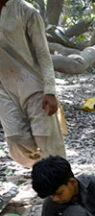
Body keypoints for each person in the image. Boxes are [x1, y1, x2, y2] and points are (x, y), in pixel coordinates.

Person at [0, 0, 66, 168]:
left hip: (33, 84)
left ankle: (61, 185)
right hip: (3, 87)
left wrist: (50, 90)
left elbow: (43, 53)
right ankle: (46, 169)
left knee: (47, 139)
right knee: (15, 138)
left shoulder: (26, 11)